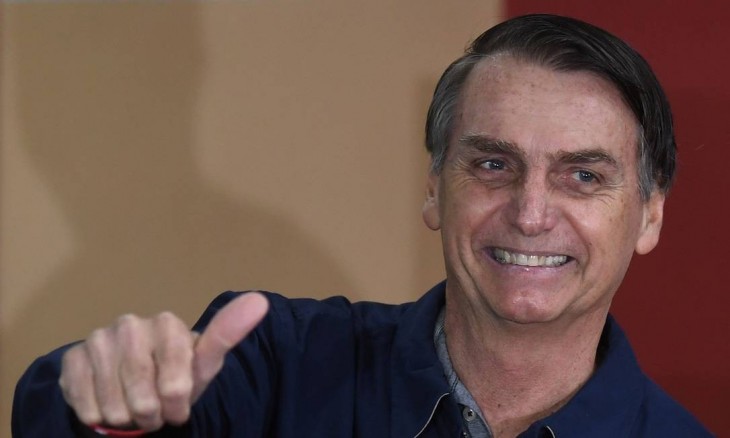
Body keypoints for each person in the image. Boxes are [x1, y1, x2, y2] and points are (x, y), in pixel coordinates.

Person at [12, 14, 712, 438]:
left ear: (649, 214)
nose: (530, 214)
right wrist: (110, 406)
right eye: (493, 164)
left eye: (583, 176)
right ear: (434, 189)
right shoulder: (277, 366)